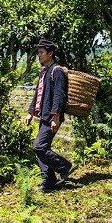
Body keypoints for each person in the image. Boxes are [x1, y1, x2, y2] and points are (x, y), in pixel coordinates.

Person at [24, 39, 73, 191]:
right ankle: (49, 181)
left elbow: (59, 95)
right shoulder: (44, 72)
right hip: (44, 116)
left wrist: (56, 117)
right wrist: (31, 113)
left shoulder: (56, 71)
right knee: (40, 152)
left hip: (52, 117)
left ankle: (64, 166)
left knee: (39, 147)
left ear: (50, 53)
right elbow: (37, 94)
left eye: (41, 52)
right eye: (38, 53)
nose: (39, 55)